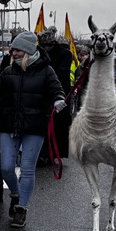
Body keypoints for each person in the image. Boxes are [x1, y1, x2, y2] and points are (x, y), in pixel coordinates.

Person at [0, 31, 66, 228]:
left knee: (28, 169)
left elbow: (57, 89)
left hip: (34, 126)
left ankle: (21, 208)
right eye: (13, 49)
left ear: (29, 51)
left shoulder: (47, 71)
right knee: (6, 167)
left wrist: (58, 99)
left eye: (18, 50)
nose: (13, 53)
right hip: (9, 124)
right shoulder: (8, 71)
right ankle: (15, 193)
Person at [36, 26, 73, 163]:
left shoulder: (65, 54)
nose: (46, 48)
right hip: (41, 94)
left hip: (59, 94)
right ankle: (42, 153)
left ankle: (53, 153)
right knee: (42, 125)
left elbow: (61, 74)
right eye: (43, 45)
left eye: (48, 45)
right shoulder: (38, 53)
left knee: (57, 126)